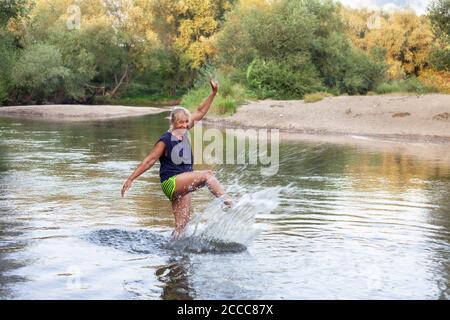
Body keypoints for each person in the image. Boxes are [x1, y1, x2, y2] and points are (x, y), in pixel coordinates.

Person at [121, 80, 233, 239]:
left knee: (182, 227)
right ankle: (231, 204)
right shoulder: (165, 140)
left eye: (186, 122)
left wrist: (213, 93)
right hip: (171, 182)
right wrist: (131, 178)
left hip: (182, 183)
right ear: (173, 123)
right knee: (208, 175)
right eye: (181, 122)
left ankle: (173, 253)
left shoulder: (185, 130)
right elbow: (149, 160)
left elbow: (200, 111)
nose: (184, 125)